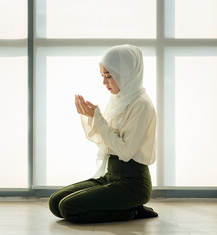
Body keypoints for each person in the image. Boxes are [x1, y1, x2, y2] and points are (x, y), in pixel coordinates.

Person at [49, 44, 158, 223]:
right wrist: (92, 117)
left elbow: (125, 152)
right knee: (55, 202)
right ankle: (124, 206)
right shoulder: (119, 100)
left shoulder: (141, 105)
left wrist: (99, 119)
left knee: (68, 207)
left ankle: (131, 211)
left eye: (109, 76)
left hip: (132, 183)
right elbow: (107, 141)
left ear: (128, 72)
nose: (104, 82)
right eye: (102, 76)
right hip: (110, 175)